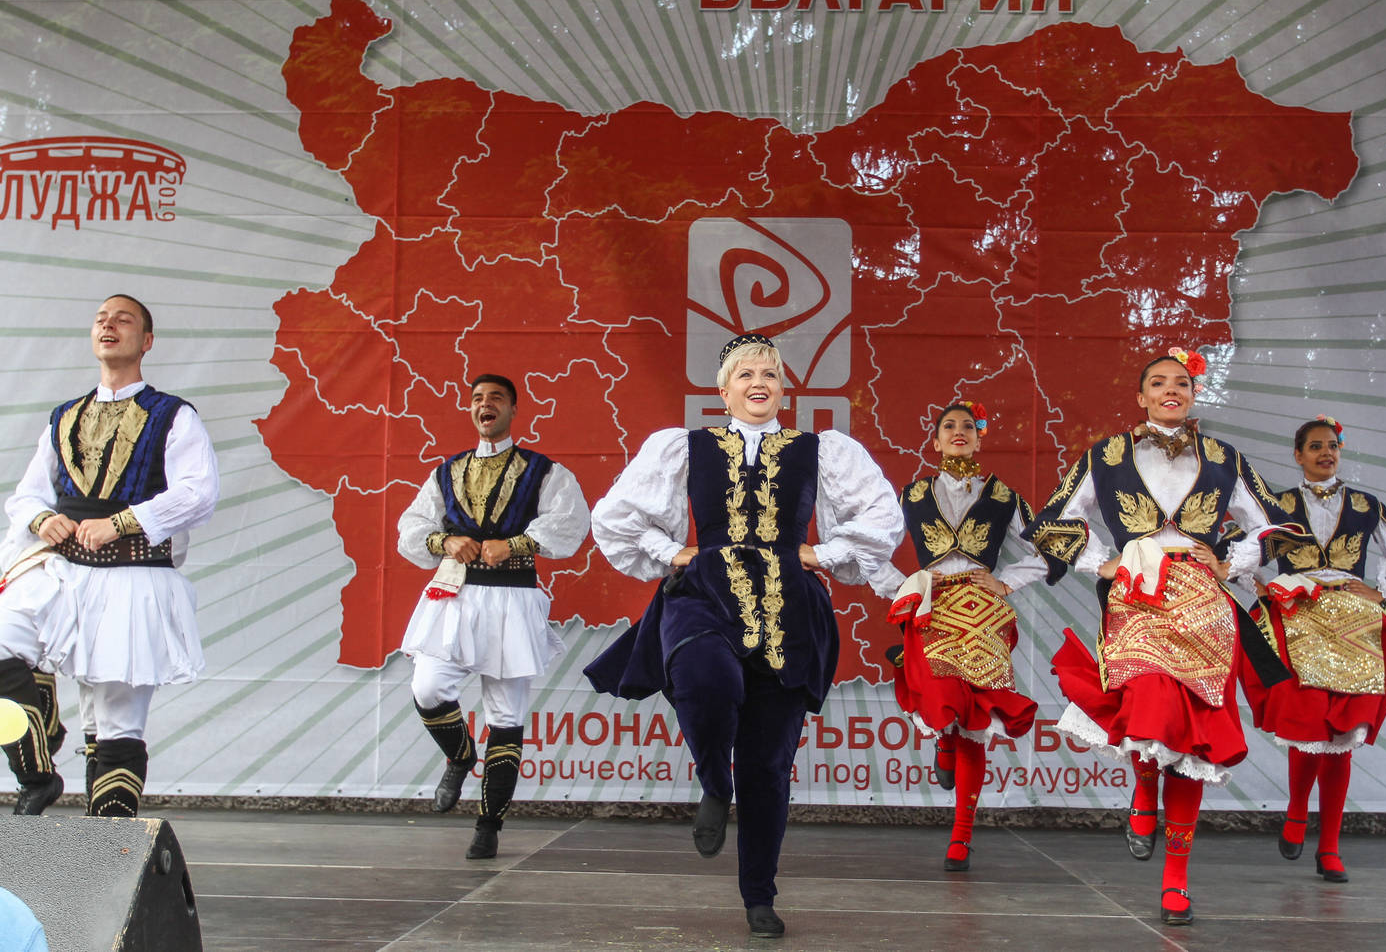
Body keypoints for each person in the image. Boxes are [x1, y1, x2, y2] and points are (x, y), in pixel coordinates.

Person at [585, 333, 902, 939]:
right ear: (724, 390)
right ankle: (713, 782)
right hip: (706, 590)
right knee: (703, 674)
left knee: (768, 761)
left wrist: (826, 552)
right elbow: (616, 515)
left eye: (770, 374)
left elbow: (881, 515)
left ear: (783, 389)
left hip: (789, 606)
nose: (760, 382)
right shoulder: (685, 446)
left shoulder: (820, 450)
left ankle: (759, 893)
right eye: (746, 374)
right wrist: (669, 551)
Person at [1022, 348, 1289, 926]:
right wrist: (1102, 562)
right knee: (1147, 699)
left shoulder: (1224, 457)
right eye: (1160, 382)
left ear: (1193, 395)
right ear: (1140, 396)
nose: (1172, 389)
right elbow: (1054, 518)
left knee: (1194, 736)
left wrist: (1232, 563)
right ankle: (1145, 790)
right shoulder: (1106, 455)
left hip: (1203, 603)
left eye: (1182, 383)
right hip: (1138, 593)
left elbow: (1273, 523)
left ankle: (1176, 880)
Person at [0, 293, 219, 817]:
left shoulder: (173, 416)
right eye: (101, 318)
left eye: (123, 319)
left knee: (115, 721)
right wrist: (43, 520)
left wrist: (121, 522)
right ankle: (36, 771)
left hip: (132, 579)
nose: (108, 325)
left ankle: (107, 847)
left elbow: (198, 492)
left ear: (146, 341)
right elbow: (27, 496)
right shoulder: (64, 417)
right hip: (63, 575)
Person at [397, 373, 588, 860]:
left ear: (513, 410)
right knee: (428, 687)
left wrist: (517, 543)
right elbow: (412, 527)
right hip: (454, 594)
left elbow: (571, 522)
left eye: (496, 398)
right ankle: (461, 756)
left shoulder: (543, 471)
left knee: (505, 716)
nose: (486, 404)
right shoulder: (447, 471)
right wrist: (444, 541)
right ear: (471, 409)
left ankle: (488, 824)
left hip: (511, 597)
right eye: (478, 398)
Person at [1241, 416, 1386, 883]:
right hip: (1298, 615)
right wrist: (1260, 585)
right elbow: (1237, 551)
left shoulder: (1366, 505)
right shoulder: (1277, 505)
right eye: (1315, 446)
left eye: (1332, 446)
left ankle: (1329, 846)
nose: (1326, 453)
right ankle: (1296, 811)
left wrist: (1380, 591)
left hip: (1352, 620)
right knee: (1308, 720)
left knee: (1342, 734)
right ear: (1298, 455)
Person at [868, 399, 1047, 872]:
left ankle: (962, 835)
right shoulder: (911, 495)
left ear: (980, 439)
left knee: (976, 722)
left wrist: (1007, 581)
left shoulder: (1003, 496)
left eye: (968, 425)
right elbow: (871, 548)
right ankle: (943, 740)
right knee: (944, 698)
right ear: (935, 441)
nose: (959, 431)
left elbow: (1047, 548)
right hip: (933, 607)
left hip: (984, 611)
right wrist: (902, 588)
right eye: (949, 426)